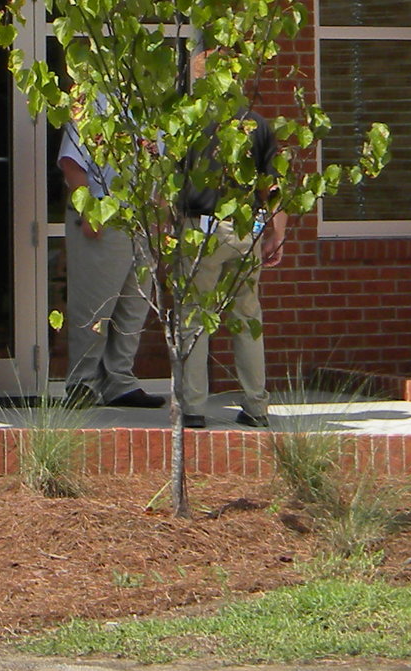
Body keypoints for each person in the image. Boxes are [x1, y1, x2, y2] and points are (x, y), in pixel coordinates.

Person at [174, 110, 283, 431]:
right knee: (248, 317)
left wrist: (165, 225)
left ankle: (193, 407)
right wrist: (276, 232)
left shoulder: (190, 119)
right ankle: (255, 406)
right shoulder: (258, 123)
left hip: (200, 228)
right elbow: (271, 184)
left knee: (194, 315)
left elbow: (170, 179)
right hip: (245, 228)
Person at [55, 114, 165, 409]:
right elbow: (71, 162)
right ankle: (82, 383)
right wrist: (88, 209)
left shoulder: (149, 107)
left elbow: (163, 165)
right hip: (103, 212)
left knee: (134, 304)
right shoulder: (93, 105)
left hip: (141, 215)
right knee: (95, 304)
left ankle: (120, 381)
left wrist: (161, 214)